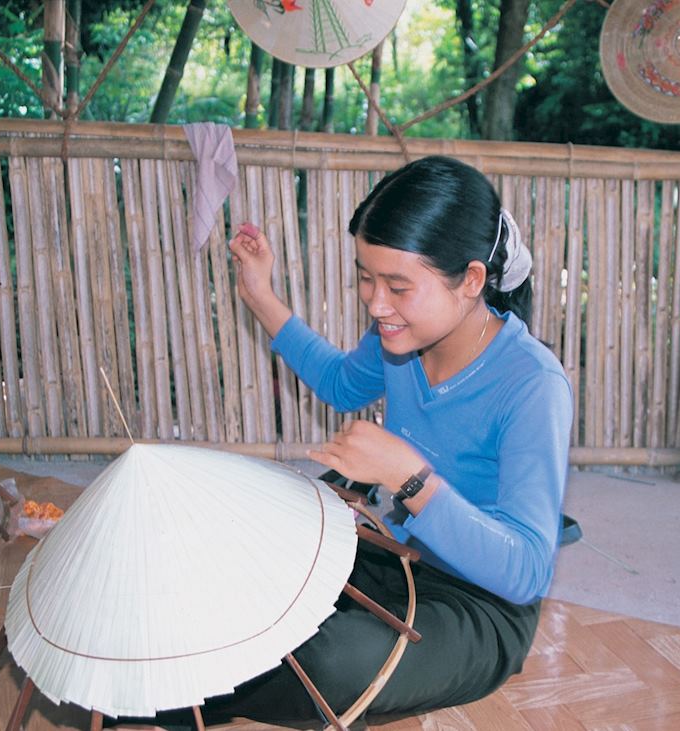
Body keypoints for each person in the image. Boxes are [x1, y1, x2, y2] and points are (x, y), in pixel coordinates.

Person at [116, 155, 573, 728]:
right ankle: (159, 675)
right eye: (365, 276)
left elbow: (527, 571)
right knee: (243, 559)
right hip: (391, 557)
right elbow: (339, 381)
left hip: (480, 604)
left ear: (471, 281)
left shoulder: (533, 385)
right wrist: (259, 293)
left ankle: (167, 693)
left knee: (332, 659)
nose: (376, 304)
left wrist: (410, 478)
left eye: (398, 287)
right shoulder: (401, 335)